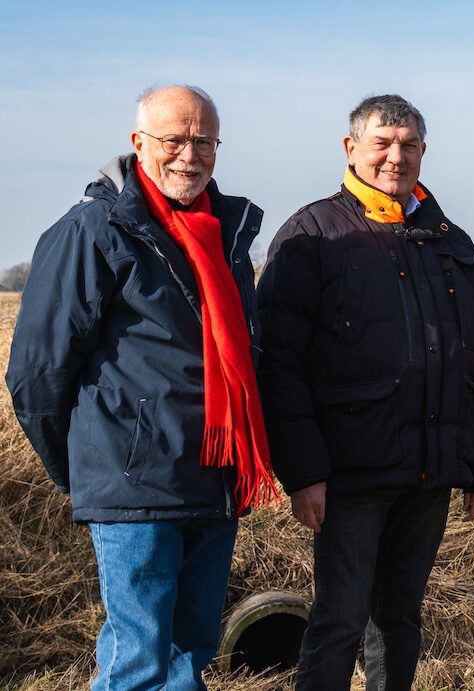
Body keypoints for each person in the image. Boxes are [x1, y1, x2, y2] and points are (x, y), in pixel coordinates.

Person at [6, 84, 277, 690]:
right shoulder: (94, 231)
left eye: (203, 140)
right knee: (149, 664)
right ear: (138, 143)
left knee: (181, 652)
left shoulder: (224, 234)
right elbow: (36, 372)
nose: (189, 154)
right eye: (174, 139)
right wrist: (95, 468)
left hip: (212, 479)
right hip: (135, 487)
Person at [256, 94, 474, 690]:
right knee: (340, 618)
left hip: (429, 471)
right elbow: (281, 366)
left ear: (424, 151)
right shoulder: (313, 235)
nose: (396, 157)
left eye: (409, 145)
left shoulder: (451, 241)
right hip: (349, 474)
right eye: (382, 144)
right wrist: (303, 471)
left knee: (398, 617)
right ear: (351, 149)